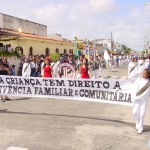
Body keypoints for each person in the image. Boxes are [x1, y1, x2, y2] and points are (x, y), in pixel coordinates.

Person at [132, 68, 150, 134]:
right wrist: (134, 97)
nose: (143, 74)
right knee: (134, 112)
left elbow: (146, 93)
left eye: (145, 73)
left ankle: (140, 127)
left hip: (143, 101)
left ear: (148, 75)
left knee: (142, 114)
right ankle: (137, 122)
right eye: (143, 73)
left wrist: (138, 97)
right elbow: (134, 89)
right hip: (137, 99)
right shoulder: (139, 80)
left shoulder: (149, 83)